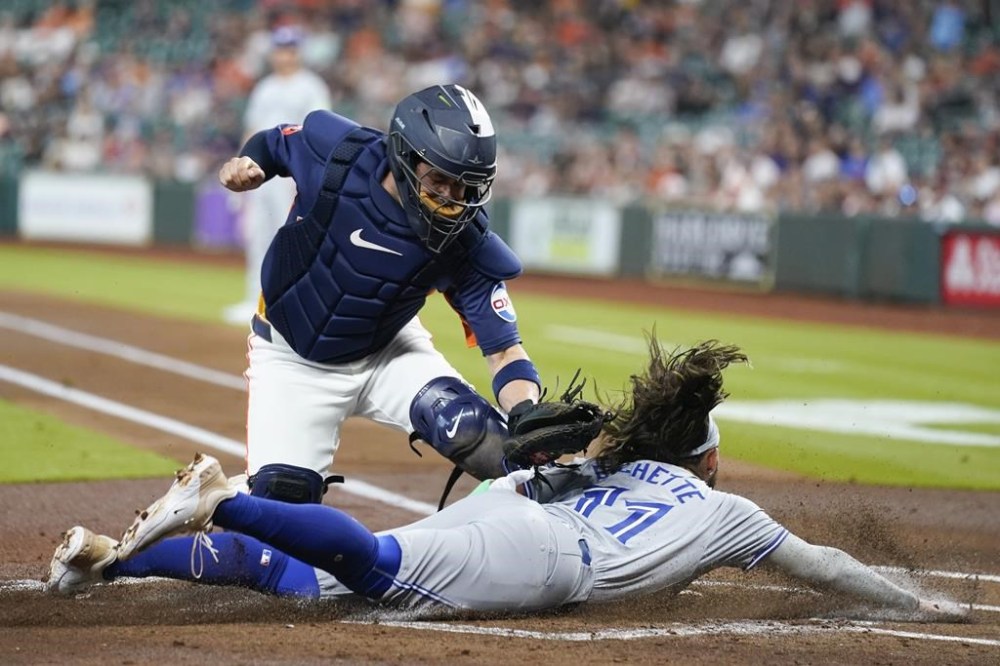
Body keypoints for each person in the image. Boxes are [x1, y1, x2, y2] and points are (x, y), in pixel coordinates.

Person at [45, 339, 967, 621]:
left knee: (310, 580)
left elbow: (512, 485)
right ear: (711, 460)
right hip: (548, 563)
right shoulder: (730, 513)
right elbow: (826, 566)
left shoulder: (611, 464)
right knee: (370, 569)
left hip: (509, 516)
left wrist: (535, 468)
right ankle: (224, 500)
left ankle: (110, 563)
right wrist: (918, 604)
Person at [215, 82, 543, 504]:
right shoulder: (339, 153)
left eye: (466, 188)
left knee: (483, 438)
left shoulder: (467, 241)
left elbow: (504, 351)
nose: (453, 200)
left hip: (389, 350)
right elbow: (276, 141)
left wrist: (526, 412)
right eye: (440, 180)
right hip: (290, 356)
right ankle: (211, 501)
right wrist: (251, 163)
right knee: (281, 505)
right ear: (405, 155)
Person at [222, 25, 333, 325]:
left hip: (292, 173)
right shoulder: (265, 87)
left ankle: (291, 304)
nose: (284, 54)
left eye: (290, 48)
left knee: (290, 236)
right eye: (281, 48)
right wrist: (240, 163)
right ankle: (253, 300)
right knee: (258, 234)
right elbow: (251, 130)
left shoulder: (312, 86)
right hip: (259, 172)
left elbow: (320, 133)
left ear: (298, 51)